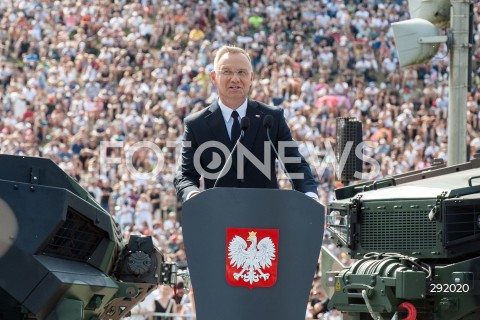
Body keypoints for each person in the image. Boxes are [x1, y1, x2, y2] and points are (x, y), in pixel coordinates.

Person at [174, 45, 318, 203]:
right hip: (217, 218)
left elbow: (296, 165)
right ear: (214, 77)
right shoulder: (197, 124)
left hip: (265, 218)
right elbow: (185, 175)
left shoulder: (271, 118)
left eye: (242, 72)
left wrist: (310, 196)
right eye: (227, 72)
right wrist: (193, 195)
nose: (235, 79)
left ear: (251, 78)